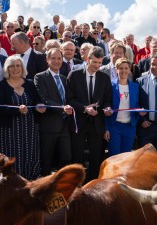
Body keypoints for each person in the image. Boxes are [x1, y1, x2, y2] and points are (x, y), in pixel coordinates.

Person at [0, 55, 44, 180]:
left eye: (18, 65)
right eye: (11, 66)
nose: (15, 69)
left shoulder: (30, 84)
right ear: (7, 69)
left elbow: (37, 101)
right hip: (8, 132)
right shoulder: (0, 86)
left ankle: (29, 184)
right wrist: (17, 110)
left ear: (22, 68)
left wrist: (39, 106)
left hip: (29, 129)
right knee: (10, 158)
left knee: (29, 156)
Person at [66, 46, 113, 181]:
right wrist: (85, 108)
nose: (97, 66)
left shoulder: (104, 78)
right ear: (88, 59)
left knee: (95, 157)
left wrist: (108, 108)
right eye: (95, 62)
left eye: (100, 63)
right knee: (77, 156)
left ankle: (92, 183)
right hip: (78, 123)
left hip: (97, 124)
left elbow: (107, 100)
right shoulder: (74, 75)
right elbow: (69, 99)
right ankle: (76, 183)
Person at [34, 48, 73, 176]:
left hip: (64, 126)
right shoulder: (40, 77)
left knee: (66, 158)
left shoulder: (63, 78)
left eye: (59, 58)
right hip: (48, 127)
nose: (56, 61)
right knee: (46, 161)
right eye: (53, 58)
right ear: (47, 60)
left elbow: (69, 98)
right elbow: (44, 99)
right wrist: (62, 108)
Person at [104, 58, 140, 155]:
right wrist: (106, 128)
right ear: (116, 69)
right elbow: (106, 104)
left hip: (129, 126)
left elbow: (136, 104)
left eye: (126, 68)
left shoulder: (135, 86)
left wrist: (140, 112)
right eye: (120, 68)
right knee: (114, 155)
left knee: (126, 155)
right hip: (114, 126)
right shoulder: (110, 86)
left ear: (129, 70)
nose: (123, 71)